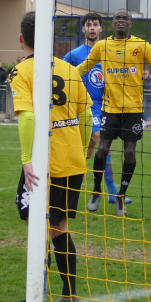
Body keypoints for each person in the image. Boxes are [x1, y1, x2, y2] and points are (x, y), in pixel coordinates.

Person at [0, 11, 94, 302]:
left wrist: (27, 161)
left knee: (37, 226)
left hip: (43, 165)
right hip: (73, 161)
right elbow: (87, 117)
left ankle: (33, 296)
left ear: (21, 38)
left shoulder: (20, 72)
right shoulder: (70, 68)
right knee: (59, 225)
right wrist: (82, 146)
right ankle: (69, 295)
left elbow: (27, 117)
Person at [76, 8, 151, 217]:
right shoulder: (102, 46)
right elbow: (85, 66)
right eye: (117, 18)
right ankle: (97, 191)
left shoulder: (141, 45)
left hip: (134, 109)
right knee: (102, 148)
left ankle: (120, 196)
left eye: (124, 18)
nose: (120, 21)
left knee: (129, 152)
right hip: (110, 107)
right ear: (112, 23)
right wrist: (66, 74)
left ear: (130, 24)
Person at [63, 12, 130, 208]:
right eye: (89, 25)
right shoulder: (74, 55)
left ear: (101, 29)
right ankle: (111, 191)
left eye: (95, 25)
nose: (92, 28)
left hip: (106, 107)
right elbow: (60, 72)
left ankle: (70, 183)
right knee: (103, 141)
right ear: (83, 29)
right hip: (85, 108)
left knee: (90, 152)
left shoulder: (108, 51)